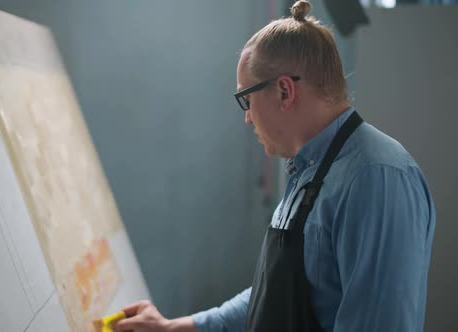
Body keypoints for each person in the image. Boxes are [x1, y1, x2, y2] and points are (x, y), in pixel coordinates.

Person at [113, 1, 436, 331]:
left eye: (247, 99)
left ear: (284, 91)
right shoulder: (308, 171)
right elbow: (276, 294)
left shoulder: (376, 179)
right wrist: (177, 327)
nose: (247, 117)